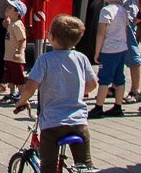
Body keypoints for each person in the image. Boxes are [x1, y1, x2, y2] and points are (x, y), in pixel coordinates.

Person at [13, 15, 97, 172]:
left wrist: (21, 101)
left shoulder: (45, 60)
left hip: (53, 124)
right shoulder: (82, 58)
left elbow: (31, 86)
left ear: (51, 36)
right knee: (85, 166)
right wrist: (76, 92)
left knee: (48, 168)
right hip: (79, 123)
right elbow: (93, 84)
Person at [90, 0, 136, 119]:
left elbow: (101, 33)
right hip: (121, 49)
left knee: (104, 79)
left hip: (108, 50)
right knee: (119, 77)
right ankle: (118, 106)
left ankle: (99, 107)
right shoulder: (123, 10)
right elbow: (126, 29)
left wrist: (97, 51)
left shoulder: (106, 11)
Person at [2, 0, 28, 103]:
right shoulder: (12, 24)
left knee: (18, 77)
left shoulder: (17, 25)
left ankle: (22, 95)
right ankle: (12, 92)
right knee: (10, 76)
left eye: (10, 8)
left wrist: (19, 52)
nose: (7, 8)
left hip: (15, 57)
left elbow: (22, 39)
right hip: (9, 56)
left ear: (17, 13)